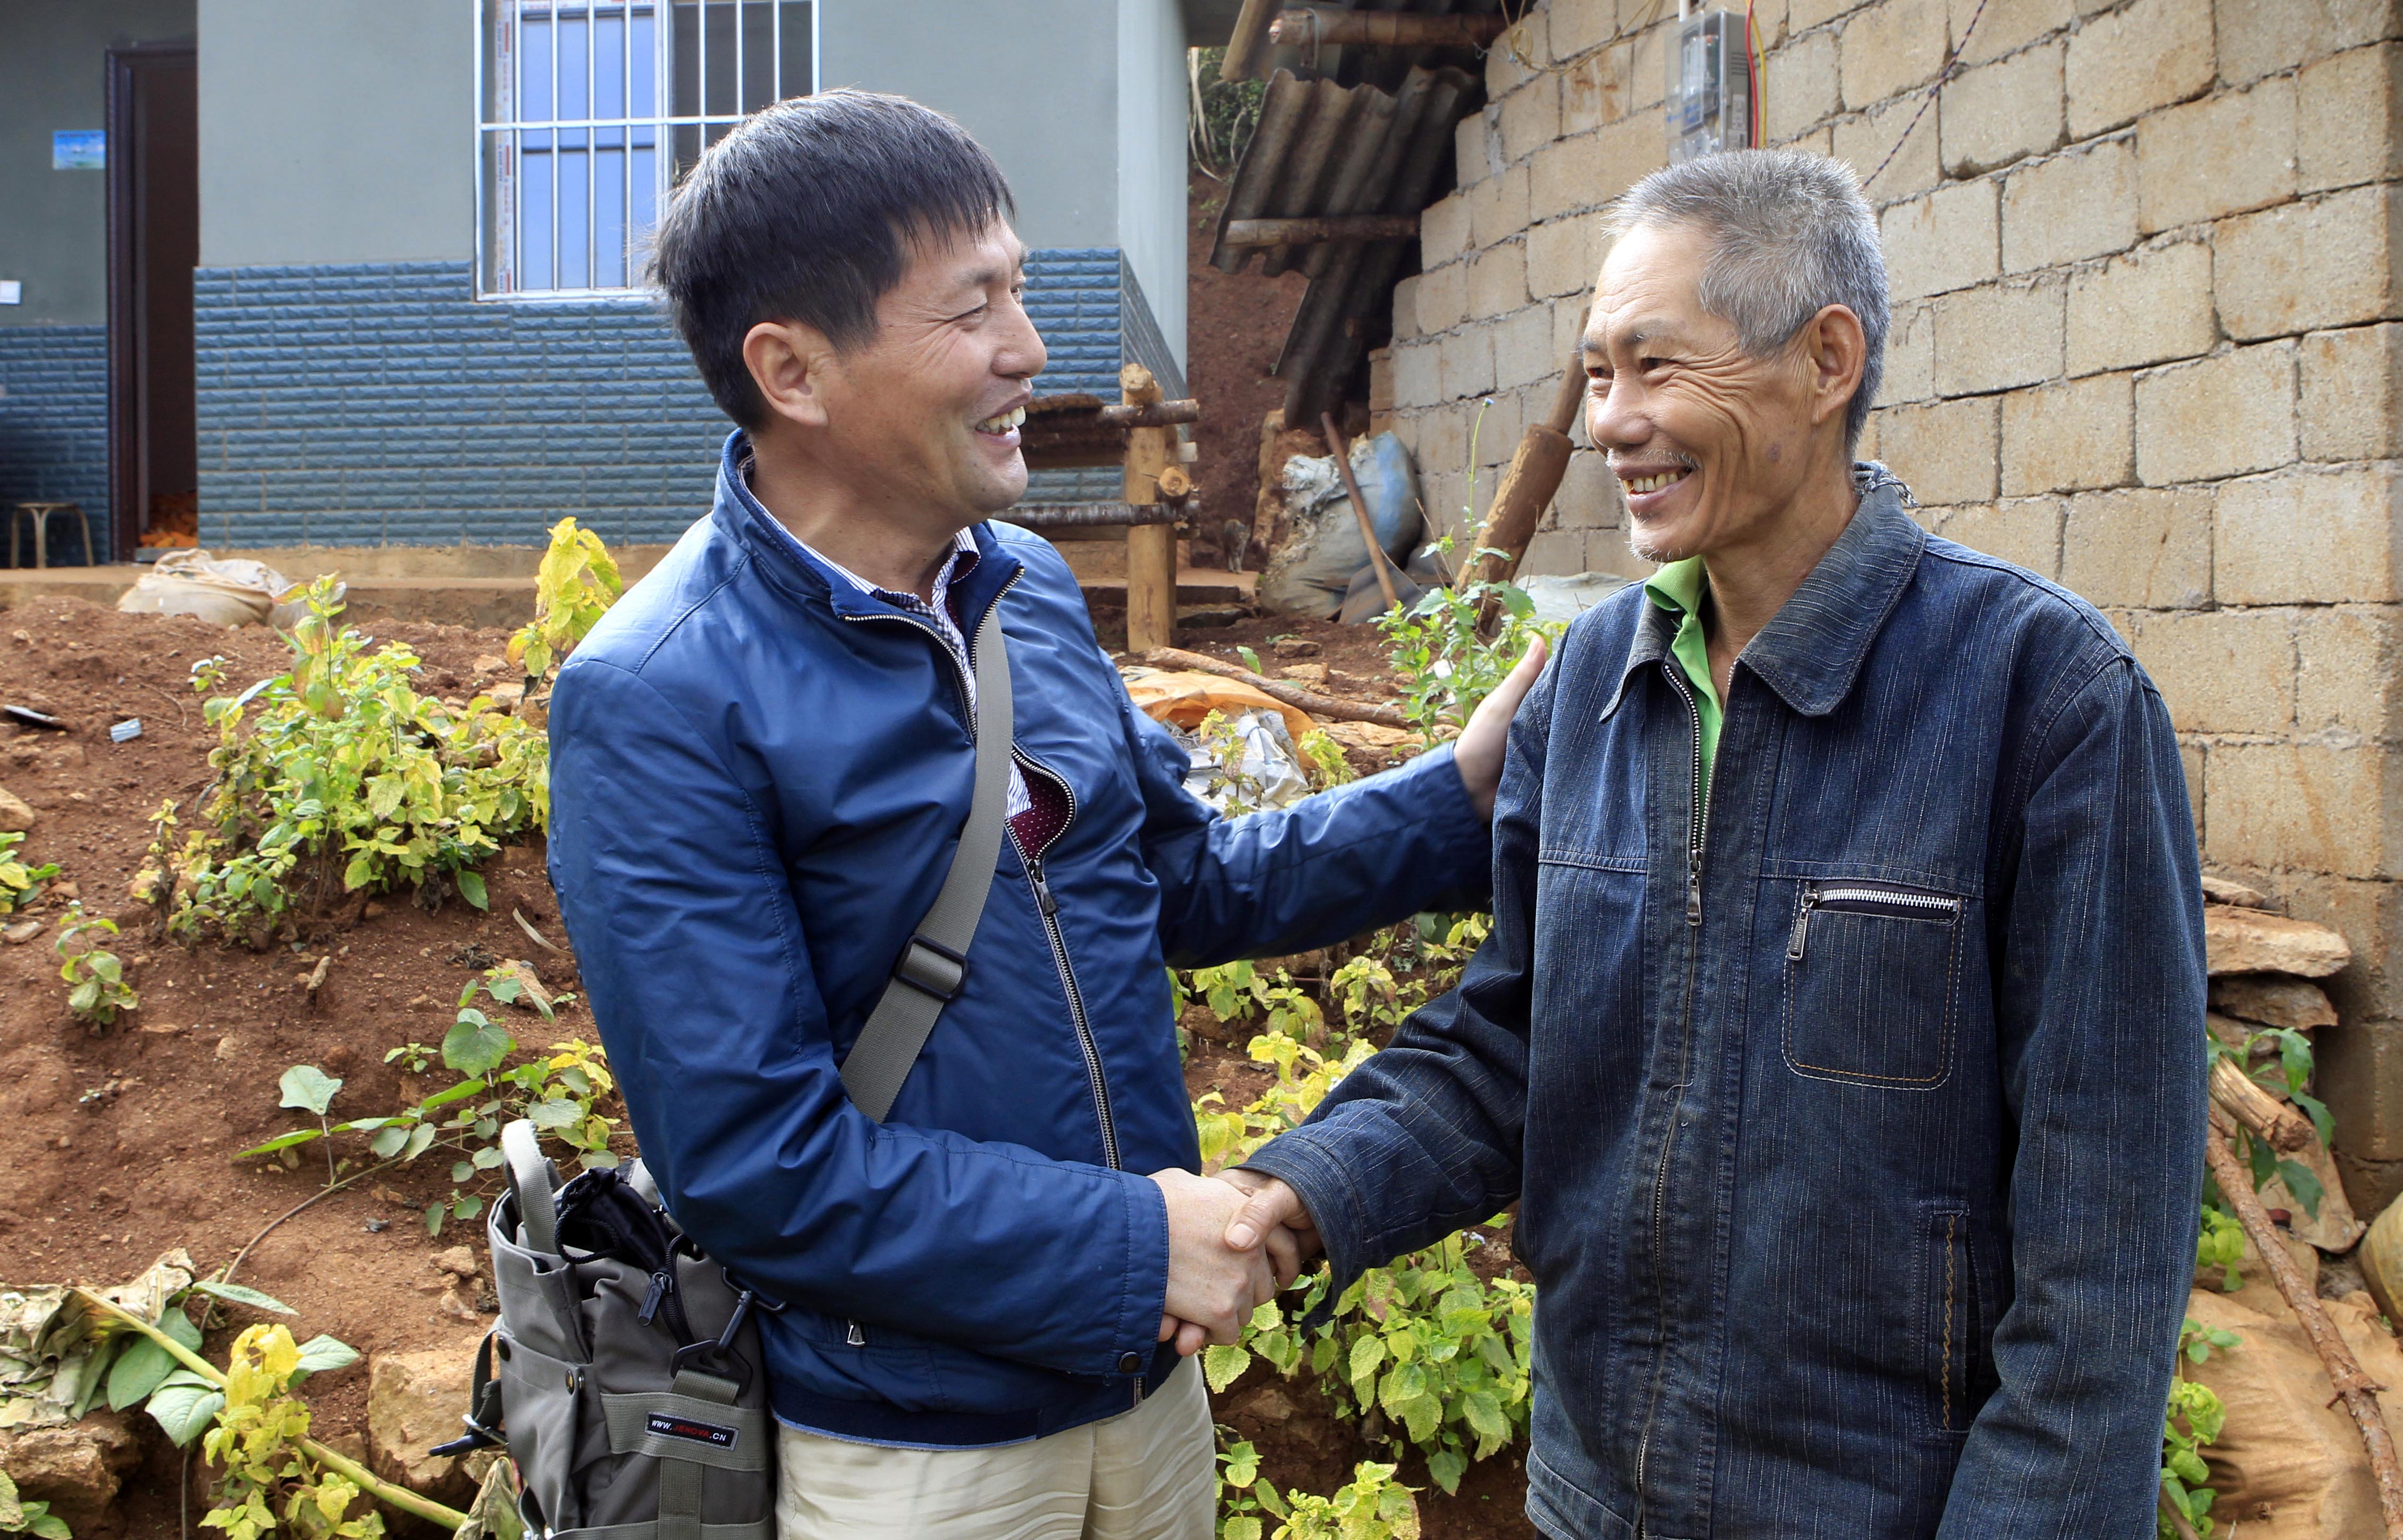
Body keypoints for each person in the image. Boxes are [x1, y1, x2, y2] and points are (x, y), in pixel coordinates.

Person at [543, 89, 1543, 1540]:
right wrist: (1135, 1241)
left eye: (1019, 289)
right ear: (793, 369)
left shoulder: (1022, 592)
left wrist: (1457, 791)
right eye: (974, 308)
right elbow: (758, 1163)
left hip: (1141, 1403)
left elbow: (1184, 885)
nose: (1028, 349)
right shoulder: (661, 693)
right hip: (917, 1461)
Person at [1223, 148, 2208, 1538]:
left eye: (1654, 367)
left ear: (1824, 360)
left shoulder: (2043, 701)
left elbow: (2099, 1264)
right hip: (1593, 1494)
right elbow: (1514, 1043)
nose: (1615, 422)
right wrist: (1293, 1198)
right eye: (1597, 373)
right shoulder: (1589, 689)